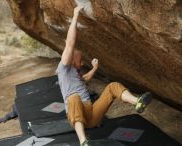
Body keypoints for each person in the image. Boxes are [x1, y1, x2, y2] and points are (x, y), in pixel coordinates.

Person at [56, 6, 152, 146]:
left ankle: (137, 101)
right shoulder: (64, 68)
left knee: (113, 86)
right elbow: (70, 44)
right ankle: (84, 142)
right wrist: (75, 14)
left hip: (92, 115)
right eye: (79, 59)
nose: (82, 63)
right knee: (74, 98)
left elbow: (85, 80)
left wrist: (94, 68)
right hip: (76, 114)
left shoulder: (77, 75)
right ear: (70, 59)